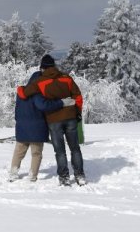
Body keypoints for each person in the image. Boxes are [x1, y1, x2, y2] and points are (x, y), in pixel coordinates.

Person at [17, 54, 86, 186]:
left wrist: (20, 88)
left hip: (54, 120)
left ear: (42, 68)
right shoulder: (66, 78)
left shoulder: (40, 81)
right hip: (71, 117)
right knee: (75, 148)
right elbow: (78, 96)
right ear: (54, 66)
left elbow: (23, 93)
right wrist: (77, 112)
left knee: (60, 151)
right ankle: (80, 175)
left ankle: (64, 177)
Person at [9, 72, 70, 182]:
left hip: (22, 127)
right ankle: (32, 176)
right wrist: (61, 102)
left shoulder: (20, 92)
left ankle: (13, 173)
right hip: (37, 128)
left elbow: (17, 110)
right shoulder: (38, 93)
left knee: (18, 152)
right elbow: (44, 106)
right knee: (36, 153)